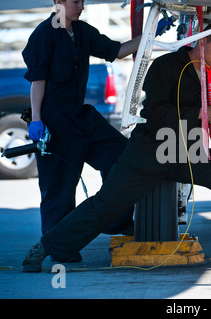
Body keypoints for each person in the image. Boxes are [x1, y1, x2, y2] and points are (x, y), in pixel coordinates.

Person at [22, 23, 211, 272]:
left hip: (189, 150)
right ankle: (44, 248)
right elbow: (155, 113)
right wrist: (200, 112)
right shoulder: (165, 66)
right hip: (149, 150)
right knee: (106, 205)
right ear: (202, 41)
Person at [22, 0, 173, 243]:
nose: (81, 6)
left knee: (122, 156)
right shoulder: (43, 35)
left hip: (81, 117)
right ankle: (58, 244)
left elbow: (119, 50)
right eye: (75, 1)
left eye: (83, 1)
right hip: (55, 123)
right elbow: (37, 81)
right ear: (58, 2)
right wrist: (37, 120)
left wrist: (151, 34)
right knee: (58, 189)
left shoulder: (82, 32)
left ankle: (117, 220)